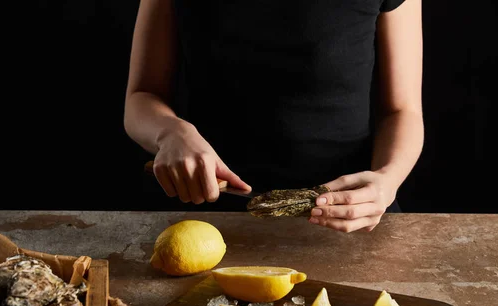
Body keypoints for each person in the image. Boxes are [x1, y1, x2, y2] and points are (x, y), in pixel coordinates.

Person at [124, 0, 424, 233]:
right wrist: (171, 133)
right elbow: (142, 97)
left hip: (349, 218)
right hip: (206, 216)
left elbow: (402, 111)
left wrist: (387, 180)